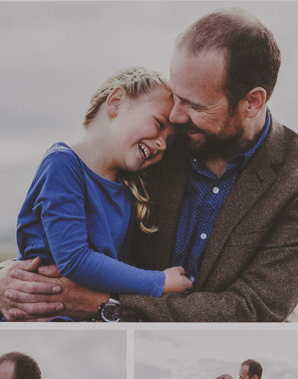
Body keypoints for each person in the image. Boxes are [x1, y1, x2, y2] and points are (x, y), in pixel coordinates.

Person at [0, 8, 298, 322]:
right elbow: (69, 226)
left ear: (252, 101)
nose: (175, 114)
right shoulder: (157, 142)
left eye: (195, 105)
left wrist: (106, 307)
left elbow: (253, 310)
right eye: (176, 95)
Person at [13, 67, 191, 304]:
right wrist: (159, 282)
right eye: (159, 124)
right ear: (116, 101)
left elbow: (118, 268)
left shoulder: (126, 193)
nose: (161, 145)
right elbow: (74, 259)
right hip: (44, 317)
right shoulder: (62, 164)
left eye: (168, 142)